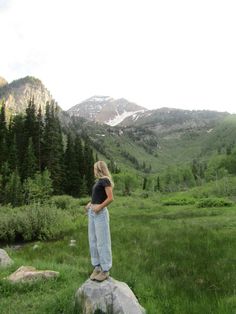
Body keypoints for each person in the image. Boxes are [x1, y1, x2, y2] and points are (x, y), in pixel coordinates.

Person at [85, 160, 114, 282]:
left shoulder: (105, 180)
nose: (93, 170)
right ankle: (97, 267)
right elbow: (98, 197)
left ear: (98, 169)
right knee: (93, 240)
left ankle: (105, 270)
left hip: (100, 213)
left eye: (94, 168)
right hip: (92, 212)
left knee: (103, 242)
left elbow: (110, 198)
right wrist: (90, 204)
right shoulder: (98, 182)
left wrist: (99, 207)